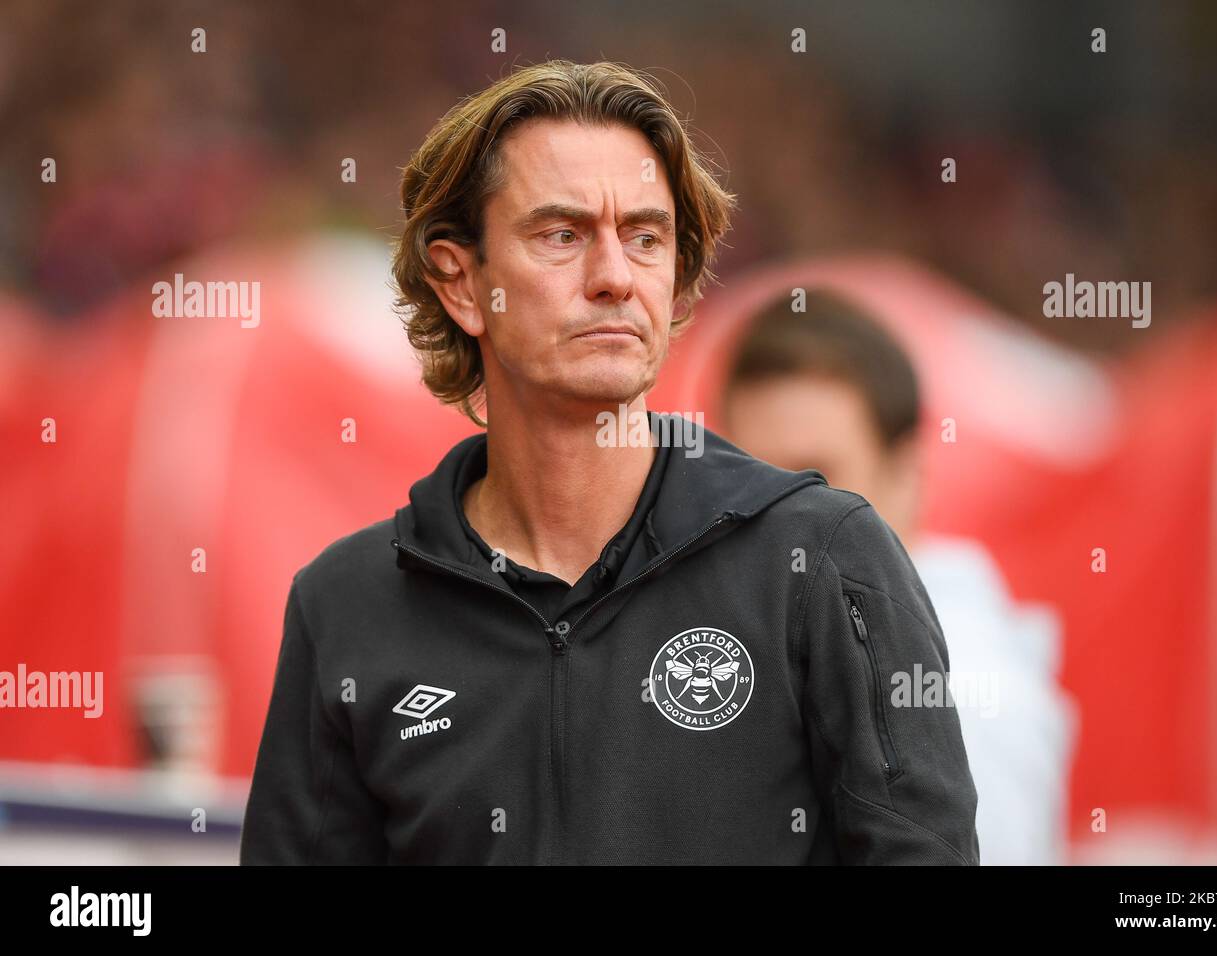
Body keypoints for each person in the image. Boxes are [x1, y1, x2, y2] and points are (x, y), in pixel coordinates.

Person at [239, 60, 979, 865]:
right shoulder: (346, 608)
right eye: (561, 235)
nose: (615, 278)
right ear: (460, 282)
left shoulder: (824, 557)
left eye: (645, 237)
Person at [719, 287, 1077, 864]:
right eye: (750, 476)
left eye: (814, 479)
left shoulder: (968, 706)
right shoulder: (756, 648)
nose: (776, 515)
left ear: (907, 476)